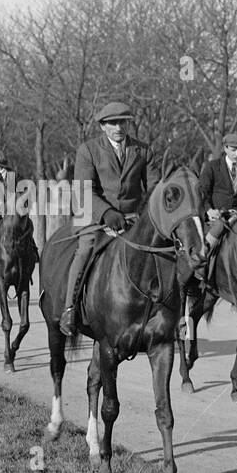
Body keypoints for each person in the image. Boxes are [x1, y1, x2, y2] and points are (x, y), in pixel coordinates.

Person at [61, 101, 160, 336]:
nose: (119, 127)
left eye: (123, 122)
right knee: (85, 250)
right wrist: (106, 212)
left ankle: (167, 311)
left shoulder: (144, 150)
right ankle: (70, 308)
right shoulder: (88, 150)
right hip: (95, 217)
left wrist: (146, 215)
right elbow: (84, 190)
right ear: (103, 126)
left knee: (161, 252)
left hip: (132, 217)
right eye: (113, 123)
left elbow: (155, 186)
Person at [196, 133, 237, 265]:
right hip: (216, 215)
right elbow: (202, 192)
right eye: (233, 150)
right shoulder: (211, 166)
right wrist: (209, 210)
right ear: (225, 148)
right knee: (219, 226)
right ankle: (201, 259)